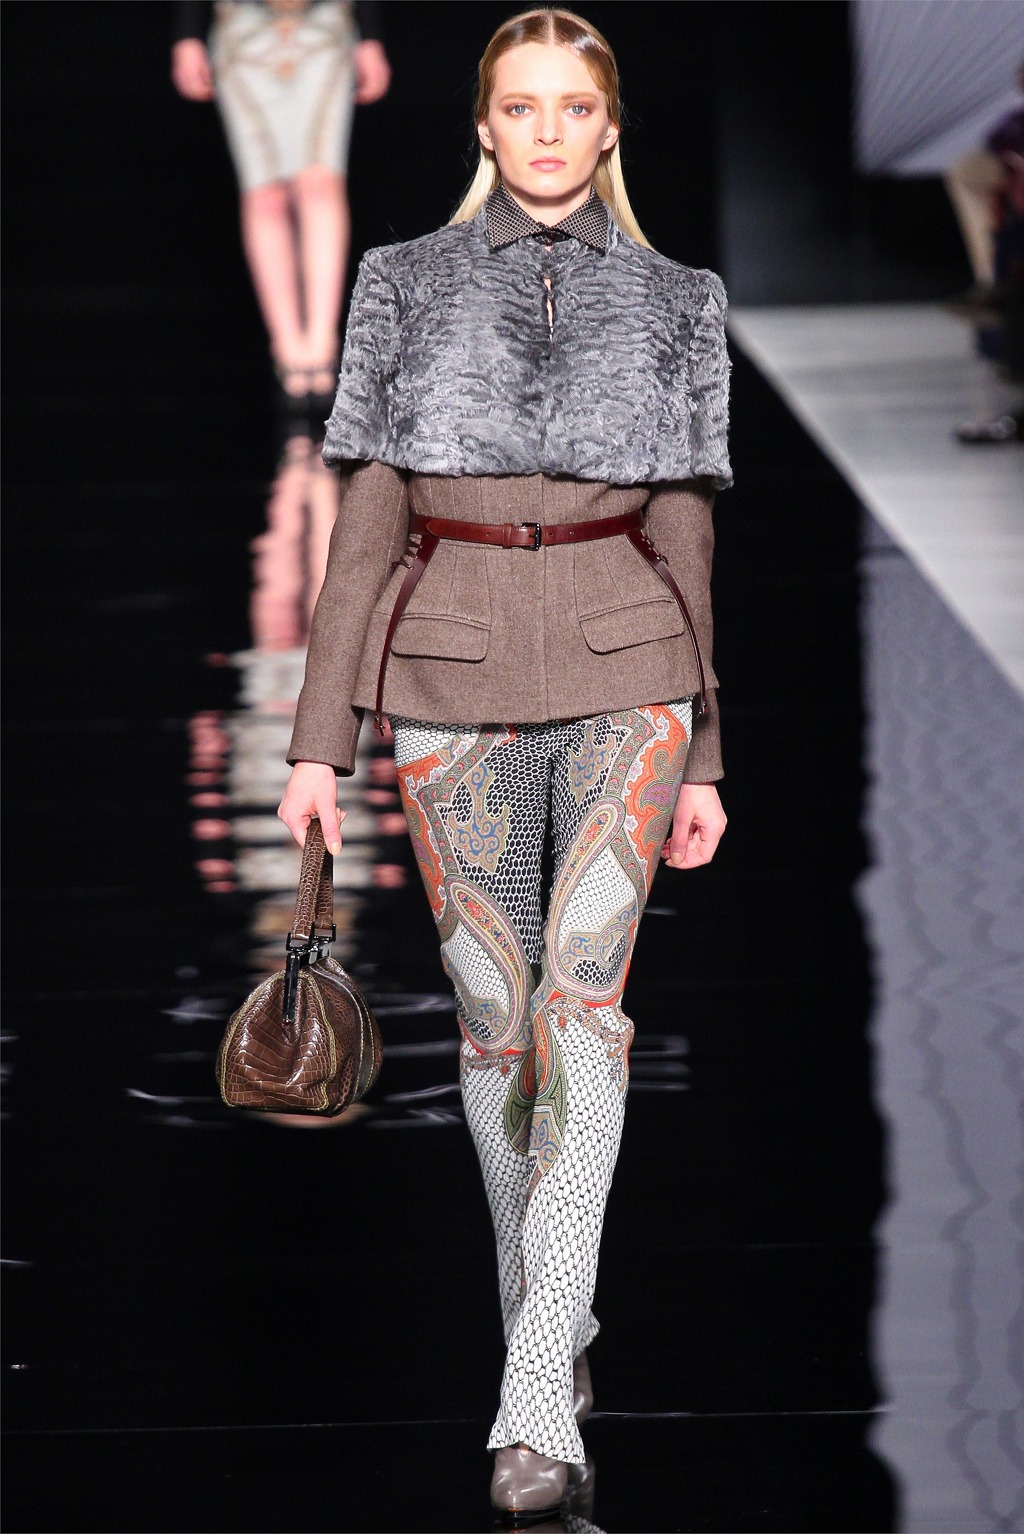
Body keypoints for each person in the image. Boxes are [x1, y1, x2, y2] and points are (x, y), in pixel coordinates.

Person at [278, 7, 732, 1520]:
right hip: (447, 679)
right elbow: (362, 538)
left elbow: (687, 541)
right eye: (521, 106)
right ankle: (552, 1317)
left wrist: (706, 751)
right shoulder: (400, 284)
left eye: (573, 107)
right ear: (483, 125)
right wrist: (318, 744)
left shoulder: (678, 299)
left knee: (581, 1013)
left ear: (610, 126)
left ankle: (536, 1387)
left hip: (628, 680)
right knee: (493, 1028)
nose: (547, 132)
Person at [171, 1, 391, 403]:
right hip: (243, 30)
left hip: (323, 27)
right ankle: (288, 346)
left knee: (320, 182)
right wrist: (187, 33)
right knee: (265, 193)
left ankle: (321, 342)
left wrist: (371, 34)